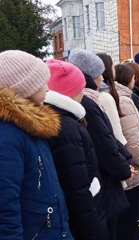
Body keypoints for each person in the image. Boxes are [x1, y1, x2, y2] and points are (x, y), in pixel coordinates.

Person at [0, 50, 72, 239]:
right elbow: (5, 207)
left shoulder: (33, 125)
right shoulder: (7, 135)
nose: (48, 89)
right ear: (23, 88)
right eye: (41, 83)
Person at [68, 50, 133, 240]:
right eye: (100, 72)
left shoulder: (89, 102)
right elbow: (107, 141)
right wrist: (125, 166)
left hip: (103, 181)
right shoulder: (89, 105)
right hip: (104, 183)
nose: (103, 76)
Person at [45, 59, 108, 239]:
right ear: (71, 91)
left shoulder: (62, 120)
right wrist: (94, 231)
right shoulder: (67, 128)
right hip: (86, 219)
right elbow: (78, 187)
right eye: (80, 87)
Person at [114, 64, 139, 240]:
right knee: (131, 209)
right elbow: (132, 135)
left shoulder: (122, 97)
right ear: (130, 79)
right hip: (134, 164)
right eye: (136, 77)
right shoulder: (124, 101)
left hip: (131, 162)